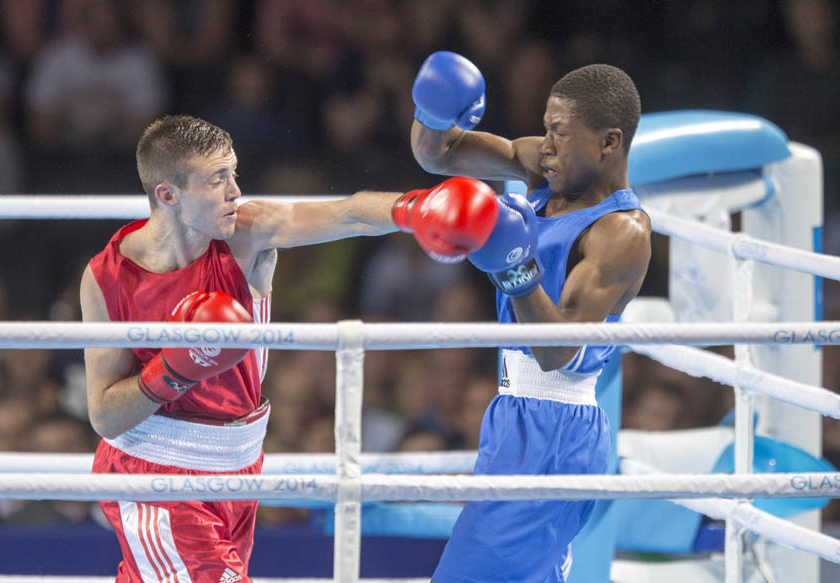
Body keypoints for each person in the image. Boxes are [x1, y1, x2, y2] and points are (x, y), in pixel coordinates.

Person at [80, 114, 420, 582]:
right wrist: (173, 372)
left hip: (237, 468)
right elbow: (103, 415)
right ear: (168, 194)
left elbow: (350, 213)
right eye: (218, 179)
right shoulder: (107, 277)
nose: (235, 191)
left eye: (234, 173)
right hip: (154, 474)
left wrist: (419, 209)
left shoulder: (247, 234)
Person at [400, 51, 652, 582]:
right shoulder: (546, 170)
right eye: (546, 130)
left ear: (609, 141)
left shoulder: (621, 232)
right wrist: (433, 112)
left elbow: (557, 350)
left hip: (556, 425)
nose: (548, 146)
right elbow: (437, 156)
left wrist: (515, 267)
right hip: (514, 411)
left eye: (560, 133)